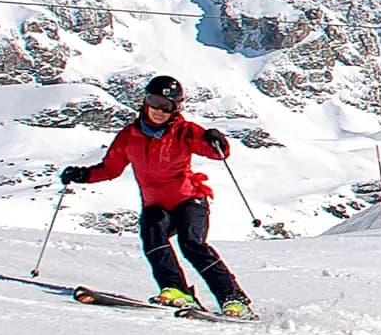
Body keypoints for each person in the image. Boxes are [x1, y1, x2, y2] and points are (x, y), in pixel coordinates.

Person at [62, 74, 254, 316]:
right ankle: (176, 290)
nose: (159, 111)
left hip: (189, 200)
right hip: (156, 204)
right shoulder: (129, 136)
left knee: (192, 244)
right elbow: (110, 168)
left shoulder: (184, 131)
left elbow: (217, 153)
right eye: (155, 102)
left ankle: (234, 299)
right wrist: (83, 175)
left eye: (167, 106)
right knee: (153, 238)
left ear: (176, 109)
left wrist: (217, 141)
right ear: (145, 101)